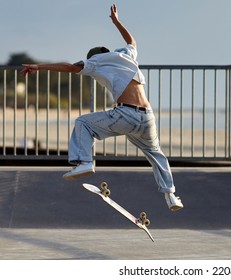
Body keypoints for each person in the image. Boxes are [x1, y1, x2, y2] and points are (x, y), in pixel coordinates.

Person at [21, 4, 183, 211]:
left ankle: (85, 163)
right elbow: (131, 41)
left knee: (83, 123)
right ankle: (171, 196)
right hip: (147, 118)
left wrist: (39, 67)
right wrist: (117, 22)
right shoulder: (126, 55)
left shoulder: (96, 61)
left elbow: (71, 67)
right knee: (156, 153)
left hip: (127, 114)